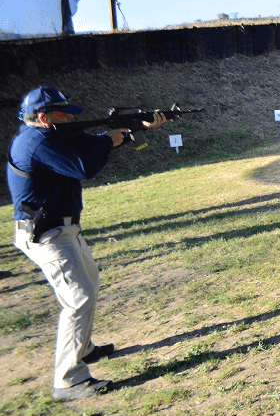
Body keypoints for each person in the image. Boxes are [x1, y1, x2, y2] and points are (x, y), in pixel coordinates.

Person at [6, 86, 166, 400]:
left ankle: (85, 347)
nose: (67, 118)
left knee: (89, 282)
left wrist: (131, 129)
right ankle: (68, 380)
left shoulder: (47, 137)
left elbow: (86, 144)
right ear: (43, 117)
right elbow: (84, 166)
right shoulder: (36, 142)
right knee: (78, 298)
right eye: (61, 114)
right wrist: (108, 139)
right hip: (47, 234)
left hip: (63, 230)